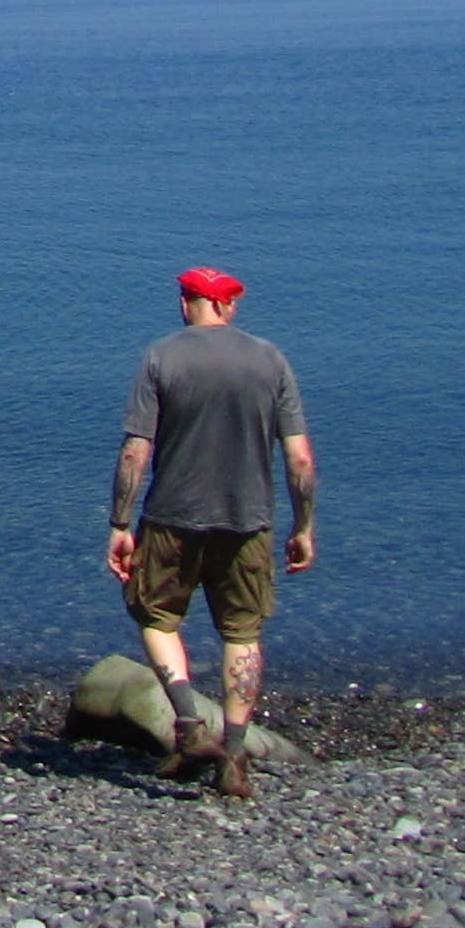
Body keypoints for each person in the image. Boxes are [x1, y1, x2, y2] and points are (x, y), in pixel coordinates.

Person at [105, 265, 315, 801]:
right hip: (248, 521)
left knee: (154, 615)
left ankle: (189, 725)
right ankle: (237, 752)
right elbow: (299, 459)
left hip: (172, 516)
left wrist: (120, 524)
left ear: (186, 303)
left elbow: (136, 452)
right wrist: (303, 525)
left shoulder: (161, 357)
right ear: (225, 306)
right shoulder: (271, 361)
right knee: (242, 633)